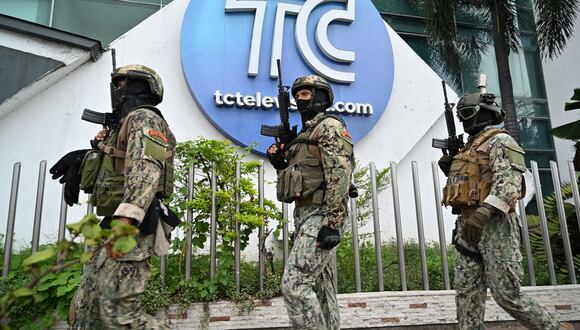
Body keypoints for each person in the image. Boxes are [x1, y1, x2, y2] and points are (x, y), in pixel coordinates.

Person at [438, 92, 571, 330]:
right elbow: (470, 184)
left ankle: (554, 328)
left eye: (467, 114)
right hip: (466, 226)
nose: (463, 120)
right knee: (467, 292)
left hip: (494, 225)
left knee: (506, 293)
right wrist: (450, 168)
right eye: (461, 116)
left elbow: (507, 185)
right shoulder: (470, 145)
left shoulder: (501, 141)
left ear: (484, 112)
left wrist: (481, 215)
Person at [71, 64, 176, 329]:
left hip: (131, 226)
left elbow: (147, 169)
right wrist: (99, 148)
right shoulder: (123, 124)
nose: (118, 90)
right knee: (89, 306)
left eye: (123, 84)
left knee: (121, 316)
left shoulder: (145, 118)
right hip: (112, 222)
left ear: (141, 87)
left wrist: (126, 222)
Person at [267, 75, 354, 329]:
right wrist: (280, 163)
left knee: (294, 284)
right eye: (297, 95)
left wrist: (333, 223)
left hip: (322, 214)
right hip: (304, 215)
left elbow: (339, 174)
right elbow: (298, 179)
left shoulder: (328, 127)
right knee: (321, 287)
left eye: (305, 94)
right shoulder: (304, 135)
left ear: (321, 98)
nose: (299, 99)